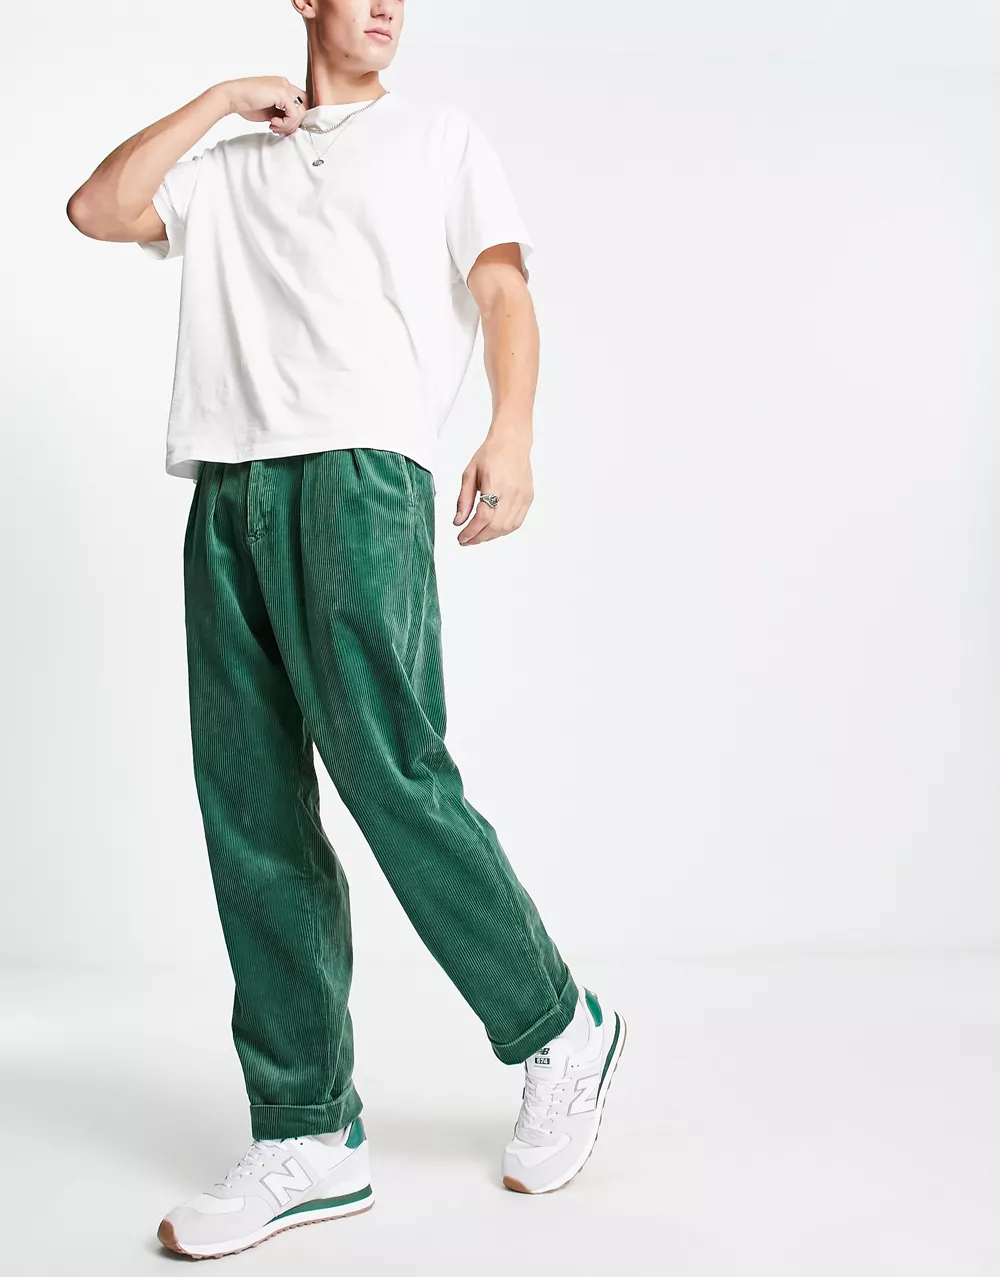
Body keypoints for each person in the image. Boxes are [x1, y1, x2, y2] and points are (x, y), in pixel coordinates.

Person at [67, 0, 625, 1259]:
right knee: (250, 808)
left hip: (361, 478)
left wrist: (511, 431)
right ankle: (308, 1131)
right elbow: (98, 209)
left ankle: (559, 1025)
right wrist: (223, 100)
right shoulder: (227, 166)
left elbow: (503, 290)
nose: (387, 7)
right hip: (227, 485)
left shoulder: (439, 140)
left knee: (392, 774)